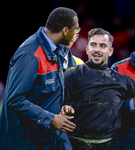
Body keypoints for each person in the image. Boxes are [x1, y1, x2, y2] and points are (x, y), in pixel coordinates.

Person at [60, 28, 135, 150]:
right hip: (72, 144)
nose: (97, 49)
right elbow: (54, 104)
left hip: (110, 145)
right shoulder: (71, 76)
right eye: (93, 45)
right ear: (87, 49)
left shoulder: (123, 80)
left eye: (103, 46)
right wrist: (61, 109)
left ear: (110, 51)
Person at [0, 7, 83, 150]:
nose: (76, 35)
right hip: (25, 140)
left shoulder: (58, 47)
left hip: (49, 136)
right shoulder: (30, 55)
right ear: (65, 31)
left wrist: (64, 105)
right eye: (75, 30)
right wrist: (50, 119)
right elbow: (14, 99)